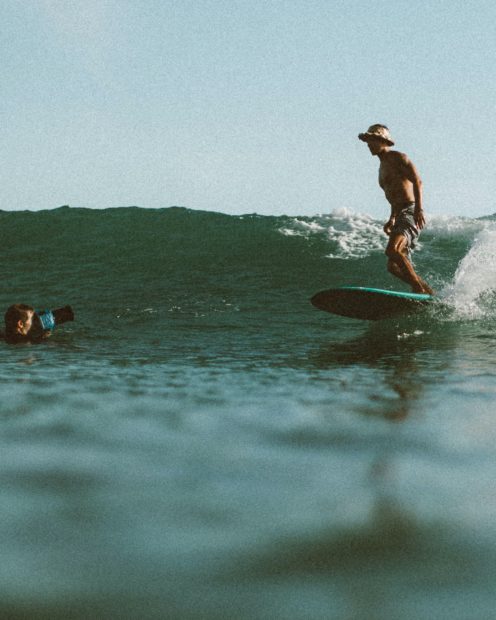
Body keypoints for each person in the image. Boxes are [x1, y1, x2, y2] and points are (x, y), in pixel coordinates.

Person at [358, 124, 434, 295]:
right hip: (400, 213)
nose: (369, 144)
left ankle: (417, 287)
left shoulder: (398, 157)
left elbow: (417, 182)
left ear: (382, 141)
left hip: (411, 210)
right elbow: (393, 196)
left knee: (392, 250)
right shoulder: (381, 168)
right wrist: (392, 218)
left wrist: (419, 209)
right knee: (393, 266)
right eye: (367, 141)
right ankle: (427, 292)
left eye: (372, 140)